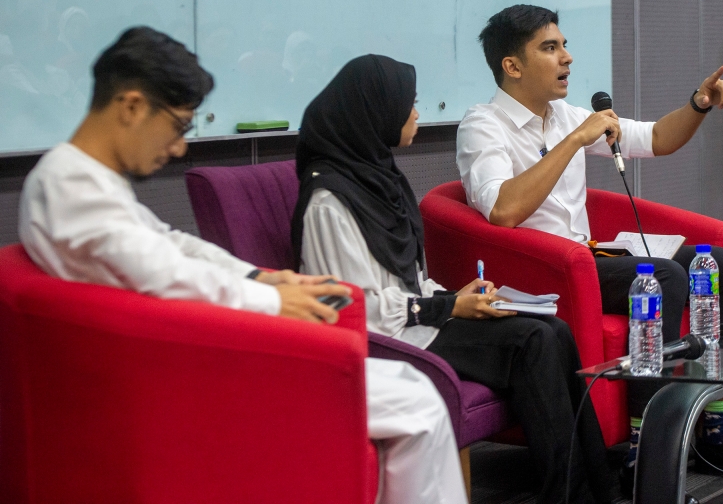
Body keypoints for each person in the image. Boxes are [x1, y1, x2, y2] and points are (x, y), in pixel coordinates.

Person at [18, 27, 467, 504]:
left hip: (177, 349)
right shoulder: (75, 190)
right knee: (418, 403)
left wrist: (259, 276)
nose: (178, 148)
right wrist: (271, 301)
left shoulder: (81, 178)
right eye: (178, 126)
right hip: (181, 366)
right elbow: (164, 272)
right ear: (131, 107)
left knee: (411, 389)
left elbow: (172, 246)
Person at [455, 4, 723, 489]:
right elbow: (503, 209)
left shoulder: (565, 115)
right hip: (540, 272)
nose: (567, 57)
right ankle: (645, 447)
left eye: (564, 45)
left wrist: (699, 104)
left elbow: (657, 138)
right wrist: (572, 141)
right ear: (512, 65)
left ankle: (719, 426)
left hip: (588, 260)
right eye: (550, 48)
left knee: (717, 264)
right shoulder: (482, 125)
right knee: (663, 276)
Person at [292, 54, 617, 504]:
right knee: (533, 341)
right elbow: (351, 307)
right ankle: (568, 496)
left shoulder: (377, 180)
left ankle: (598, 489)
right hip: (389, 340)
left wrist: (455, 295)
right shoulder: (328, 203)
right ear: (376, 112)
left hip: (417, 320)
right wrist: (448, 307)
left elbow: (405, 281)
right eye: (408, 104)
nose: (416, 114)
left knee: (554, 329)